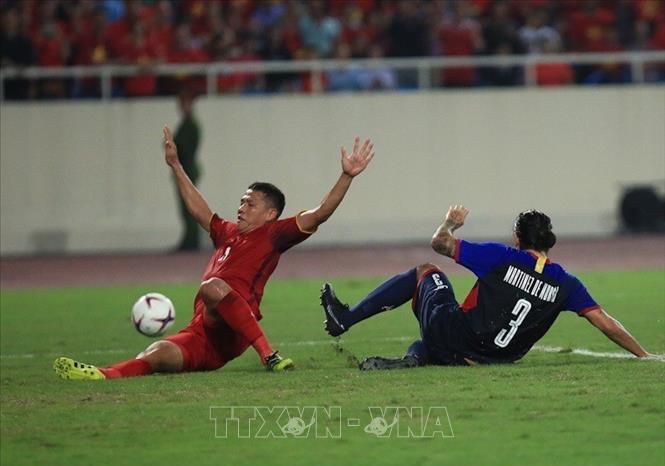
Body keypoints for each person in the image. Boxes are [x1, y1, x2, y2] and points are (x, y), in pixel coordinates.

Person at [53, 131, 375, 380]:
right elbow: (200, 210)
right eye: (241, 201)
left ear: (270, 213)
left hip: (237, 323)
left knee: (211, 286)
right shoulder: (227, 233)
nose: (241, 207)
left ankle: (269, 355)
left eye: (250, 203)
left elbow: (319, 215)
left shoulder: (274, 234)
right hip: (205, 334)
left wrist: (346, 176)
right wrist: (176, 166)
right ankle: (101, 375)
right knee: (157, 353)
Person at [321, 206, 652, 370]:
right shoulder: (566, 283)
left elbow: (439, 243)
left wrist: (450, 222)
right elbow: (606, 323)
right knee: (422, 343)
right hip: (494, 359)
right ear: (550, 241)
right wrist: (645, 355)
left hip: (456, 335)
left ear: (518, 238)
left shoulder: (500, 256)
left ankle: (344, 319)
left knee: (426, 272)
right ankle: (413, 359)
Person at [172, 88, 203, 251]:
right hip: (184, 170)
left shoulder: (190, 126)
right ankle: (190, 238)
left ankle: (192, 240)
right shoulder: (187, 124)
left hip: (187, 170)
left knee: (189, 208)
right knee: (186, 208)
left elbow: (185, 148)